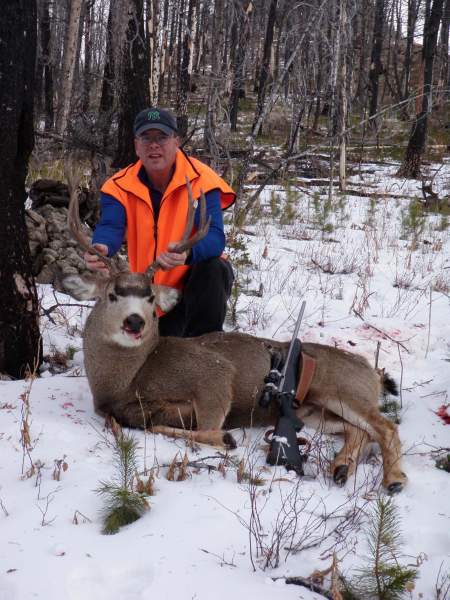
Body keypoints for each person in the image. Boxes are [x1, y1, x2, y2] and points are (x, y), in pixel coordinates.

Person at [85, 107, 236, 337]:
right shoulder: (119, 186)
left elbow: (214, 236)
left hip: (196, 287)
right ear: (136, 145)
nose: (154, 145)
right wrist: (101, 247)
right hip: (153, 294)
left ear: (176, 142)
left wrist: (187, 254)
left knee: (213, 268)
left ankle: (208, 349)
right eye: (146, 138)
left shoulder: (201, 180)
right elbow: (111, 226)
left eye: (162, 137)